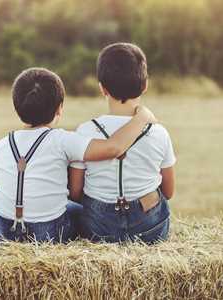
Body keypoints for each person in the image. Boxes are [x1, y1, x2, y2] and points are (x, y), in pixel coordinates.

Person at [0, 67, 157, 244]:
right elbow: (113, 148)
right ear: (59, 108)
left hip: (1, 233)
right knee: (79, 210)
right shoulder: (63, 140)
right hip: (50, 233)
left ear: (17, 108)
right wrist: (142, 117)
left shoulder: (2, 144)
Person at [69, 43, 176, 244]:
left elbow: (75, 192)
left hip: (98, 228)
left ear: (102, 88)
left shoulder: (85, 131)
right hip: (150, 228)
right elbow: (169, 192)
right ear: (145, 85)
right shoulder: (159, 133)